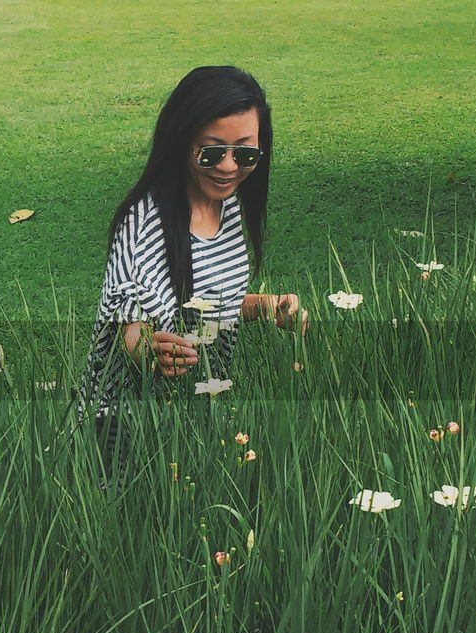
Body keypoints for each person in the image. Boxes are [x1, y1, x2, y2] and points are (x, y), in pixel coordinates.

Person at [74, 66, 309, 491]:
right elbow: (131, 321)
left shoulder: (231, 206)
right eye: (211, 152)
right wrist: (154, 350)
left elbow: (207, 300)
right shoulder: (143, 222)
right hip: (122, 428)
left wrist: (265, 306)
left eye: (246, 154)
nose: (228, 167)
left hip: (192, 414)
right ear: (183, 142)